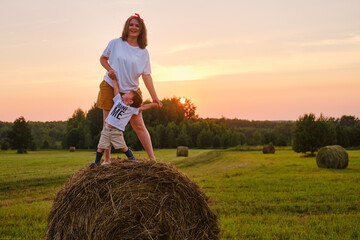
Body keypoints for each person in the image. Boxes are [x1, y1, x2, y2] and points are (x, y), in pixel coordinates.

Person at [96, 13, 162, 163]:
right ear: (127, 27)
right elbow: (102, 58)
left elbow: (146, 76)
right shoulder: (115, 43)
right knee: (108, 123)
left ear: (141, 30)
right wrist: (109, 69)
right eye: (131, 24)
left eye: (137, 25)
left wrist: (154, 97)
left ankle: (153, 160)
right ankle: (107, 160)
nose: (133, 27)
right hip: (110, 85)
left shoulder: (143, 52)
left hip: (131, 91)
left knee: (139, 124)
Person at [90, 78, 159, 168]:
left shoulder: (131, 109)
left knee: (123, 147)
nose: (126, 92)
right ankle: (96, 162)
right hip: (106, 130)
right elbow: (116, 90)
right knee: (100, 147)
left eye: (129, 93)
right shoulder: (118, 100)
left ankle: (132, 160)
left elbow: (143, 107)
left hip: (116, 131)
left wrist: (153, 104)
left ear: (130, 101)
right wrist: (114, 80)